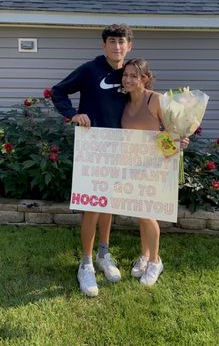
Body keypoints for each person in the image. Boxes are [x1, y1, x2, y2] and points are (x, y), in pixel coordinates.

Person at [51, 24, 133, 296]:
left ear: (129, 46)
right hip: (93, 148)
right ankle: (85, 264)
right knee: (91, 206)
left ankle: (103, 254)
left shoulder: (131, 74)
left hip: (120, 148)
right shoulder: (89, 70)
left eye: (121, 42)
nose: (117, 47)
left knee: (107, 203)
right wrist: (73, 114)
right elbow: (58, 91)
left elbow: (148, 103)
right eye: (112, 41)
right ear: (104, 45)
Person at [121, 58, 188, 286]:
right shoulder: (125, 102)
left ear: (145, 79)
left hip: (155, 165)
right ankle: (145, 254)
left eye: (133, 76)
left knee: (148, 215)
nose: (128, 79)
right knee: (141, 213)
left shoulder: (155, 99)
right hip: (133, 166)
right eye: (125, 75)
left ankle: (155, 261)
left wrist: (180, 142)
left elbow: (173, 132)